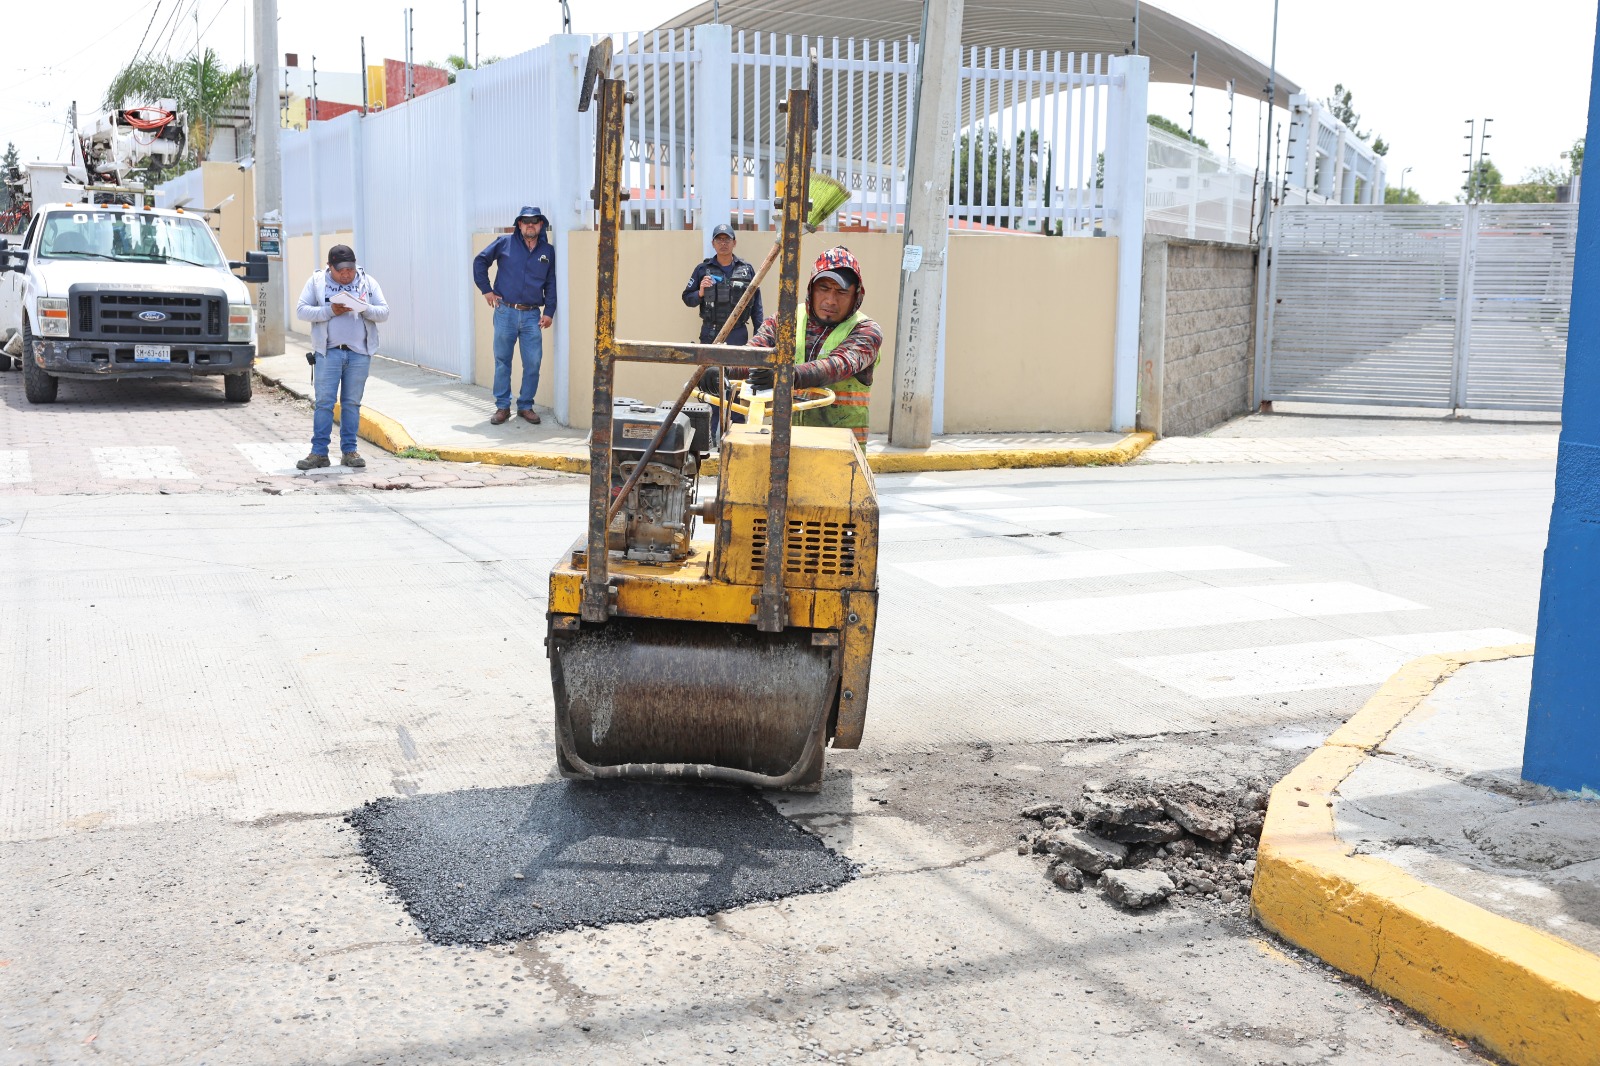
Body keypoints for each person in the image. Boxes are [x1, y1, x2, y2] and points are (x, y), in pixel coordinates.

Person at [709, 246, 882, 445]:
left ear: (856, 296)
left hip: (841, 455)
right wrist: (722, 369)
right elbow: (754, 353)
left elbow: (838, 365)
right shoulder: (785, 321)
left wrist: (785, 376)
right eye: (824, 289)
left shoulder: (866, 331)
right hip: (787, 447)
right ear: (811, 289)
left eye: (842, 292)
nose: (831, 300)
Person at [294, 245, 390, 469]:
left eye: (350, 269)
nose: (346, 274)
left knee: (352, 404)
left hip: (359, 354)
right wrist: (330, 311)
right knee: (324, 404)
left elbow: (384, 312)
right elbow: (301, 310)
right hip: (328, 353)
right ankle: (319, 453)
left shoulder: (367, 282)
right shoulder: (317, 282)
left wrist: (363, 307)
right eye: (341, 270)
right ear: (330, 267)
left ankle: (350, 451)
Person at [473, 205, 558, 425]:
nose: (530, 225)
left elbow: (550, 283)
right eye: (526, 221)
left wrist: (549, 312)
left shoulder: (547, 251)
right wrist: (486, 290)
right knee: (503, 361)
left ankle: (525, 405)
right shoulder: (504, 242)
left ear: (541, 225)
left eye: (535, 221)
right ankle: (502, 407)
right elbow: (480, 261)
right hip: (505, 312)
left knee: (533, 362)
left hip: (532, 316)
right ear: (519, 224)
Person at [681, 223, 764, 346]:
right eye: (719, 239)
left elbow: (756, 307)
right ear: (713, 243)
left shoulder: (746, 270)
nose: (723, 243)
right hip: (711, 332)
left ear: (734, 243)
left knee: (737, 365)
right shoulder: (702, 269)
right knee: (710, 366)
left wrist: (759, 337)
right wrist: (700, 293)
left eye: (727, 239)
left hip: (737, 333)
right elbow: (687, 299)